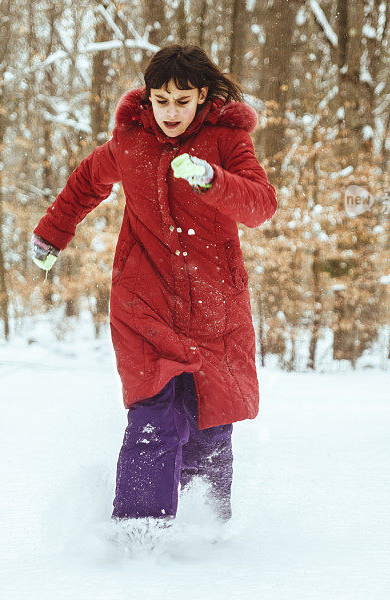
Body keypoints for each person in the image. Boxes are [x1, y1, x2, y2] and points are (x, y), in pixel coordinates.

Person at [30, 43, 278, 530]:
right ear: (149, 98)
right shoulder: (130, 142)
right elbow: (86, 183)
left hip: (214, 306)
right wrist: (50, 233)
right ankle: (138, 538)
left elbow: (260, 206)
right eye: (161, 100)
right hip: (143, 302)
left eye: (181, 101)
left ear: (202, 97)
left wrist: (213, 179)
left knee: (209, 423)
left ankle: (204, 533)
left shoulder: (227, 142)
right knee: (154, 418)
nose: (170, 112)